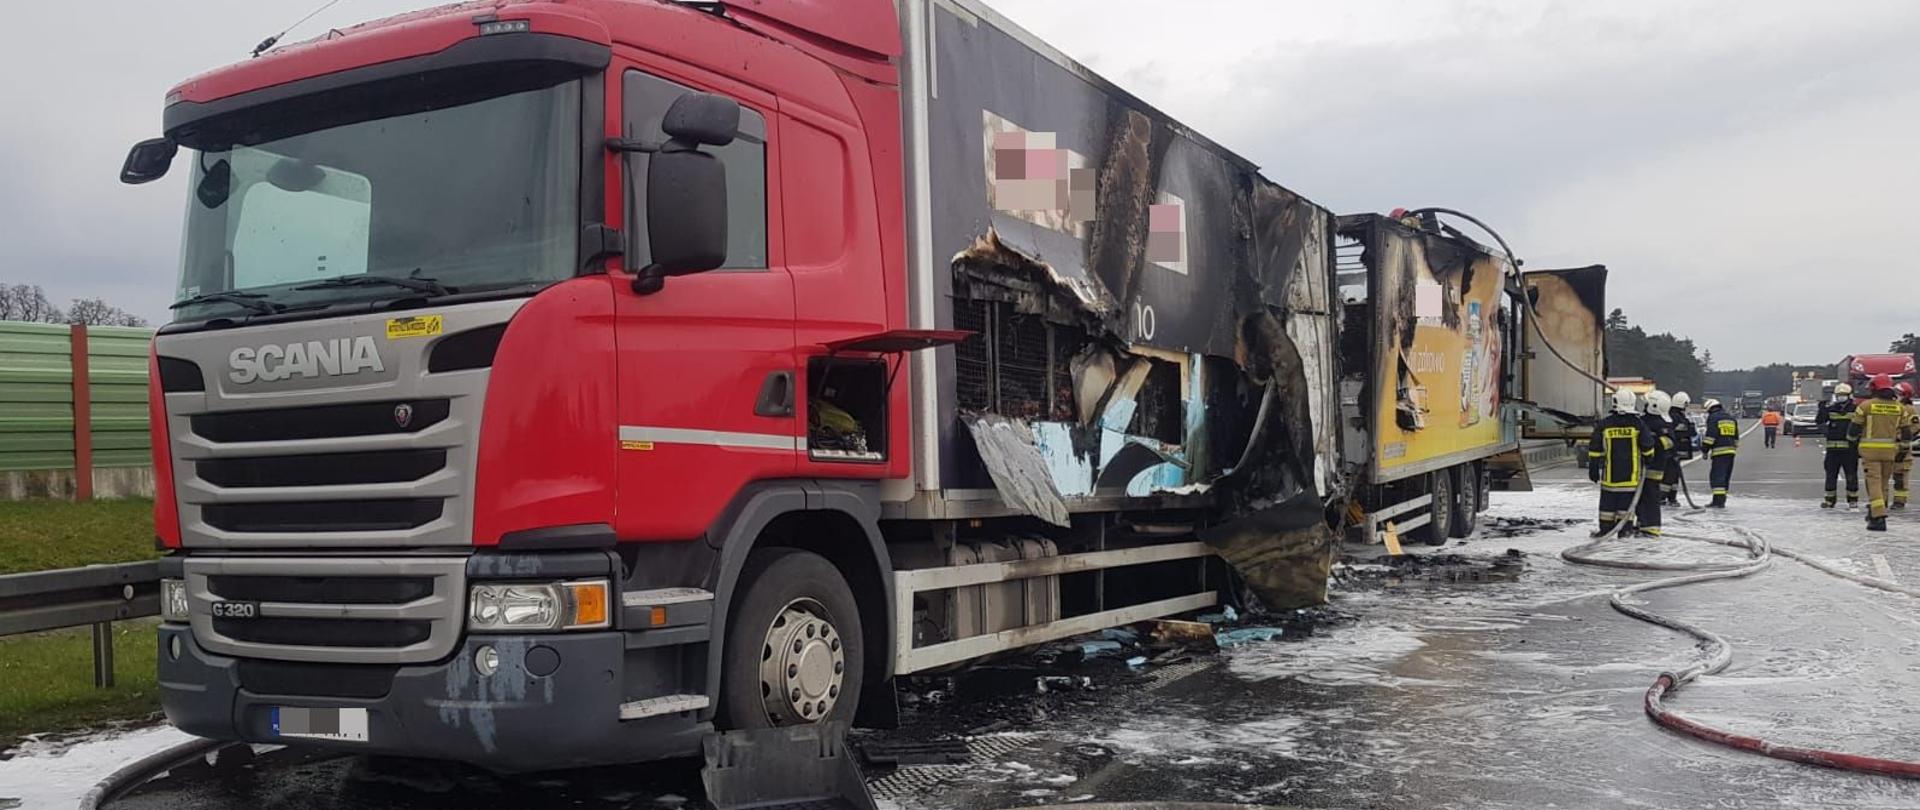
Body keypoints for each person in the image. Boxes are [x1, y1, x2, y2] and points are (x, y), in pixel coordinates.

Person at [1848, 374, 1918, 532]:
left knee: (1873, 484)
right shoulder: (1899, 407)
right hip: (1890, 452)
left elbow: (1853, 430)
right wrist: (1903, 448)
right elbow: (1907, 432)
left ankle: (1878, 518)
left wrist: (1852, 443)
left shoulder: (1865, 406)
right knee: (1884, 484)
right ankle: (1877, 510)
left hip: (1870, 453)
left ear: (1873, 388)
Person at [1589, 389, 1655, 536]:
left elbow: (1595, 448)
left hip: (1609, 479)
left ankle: (1605, 531)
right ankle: (1624, 532)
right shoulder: (1638, 424)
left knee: (1607, 509)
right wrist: (1649, 458)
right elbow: (1648, 446)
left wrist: (1593, 467)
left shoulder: (1605, 424)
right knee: (1626, 509)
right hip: (1630, 479)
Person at [1636, 389, 1674, 535]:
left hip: (1651, 468)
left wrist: (1653, 441)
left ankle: (1651, 528)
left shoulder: (1648, 424)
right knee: (1643, 497)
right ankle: (1642, 524)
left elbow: (1669, 444)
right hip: (1653, 467)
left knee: (1649, 498)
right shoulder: (1662, 423)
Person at [1816, 383, 1859, 509]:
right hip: (1832, 450)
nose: (1841, 397)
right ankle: (1830, 500)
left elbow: (1861, 425)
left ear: (1849, 396)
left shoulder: (1855, 409)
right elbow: (1820, 421)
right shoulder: (1831, 409)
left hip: (1850, 450)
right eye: (1839, 395)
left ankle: (1852, 500)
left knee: (1851, 475)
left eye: (1843, 395)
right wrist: (1822, 410)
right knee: (1830, 475)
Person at [1699, 398, 1739, 508]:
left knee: (1717, 476)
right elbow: (1736, 438)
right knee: (1725, 477)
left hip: (1719, 452)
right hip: (1731, 452)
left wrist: (1704, 449)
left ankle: (1718, 501)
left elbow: (1710, 437)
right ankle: (1722, 500)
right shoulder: (1731, 418)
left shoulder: (1713, 418)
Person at [1664, 391, 1696, 505]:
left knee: (1674, 476)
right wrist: (1690, 427)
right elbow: (1688, 432)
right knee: (1670, 475)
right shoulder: (1676, 417)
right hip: (1675, 451)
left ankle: (1671, 497)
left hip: (1675, 452)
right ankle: (1664, 497)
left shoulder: (1674, 415)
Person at [1896, 382, 1917, 510]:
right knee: (1885, 474)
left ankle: (1900, 501)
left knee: (1900, 476)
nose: (1896, 396)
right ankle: (1883, 501)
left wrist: (1901, 435)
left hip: (1902, 446)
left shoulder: (1910, 409)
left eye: (1899, 394)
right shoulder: (1894, 407)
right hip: (1890, 445)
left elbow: (1915, 426)